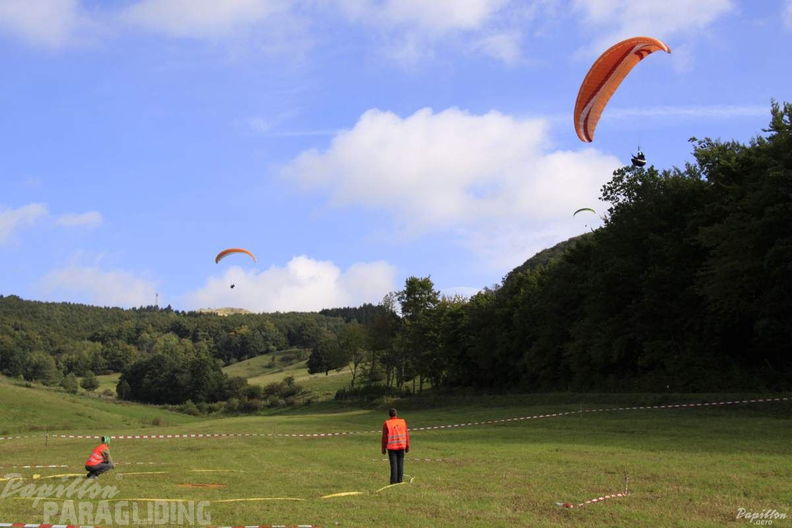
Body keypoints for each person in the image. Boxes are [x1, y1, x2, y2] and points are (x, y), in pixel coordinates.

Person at [381, 408, 410, 484]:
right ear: (396, 414)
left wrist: (383, 448)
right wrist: (407, 446)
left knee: (394, 465)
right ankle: (400, 481)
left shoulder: (387, 423)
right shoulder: (403, 422)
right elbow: (407, 434)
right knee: (400, 464)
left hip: (392, 447)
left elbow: (384, 437)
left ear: (389, 415)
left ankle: (393, 482)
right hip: (401, 446)